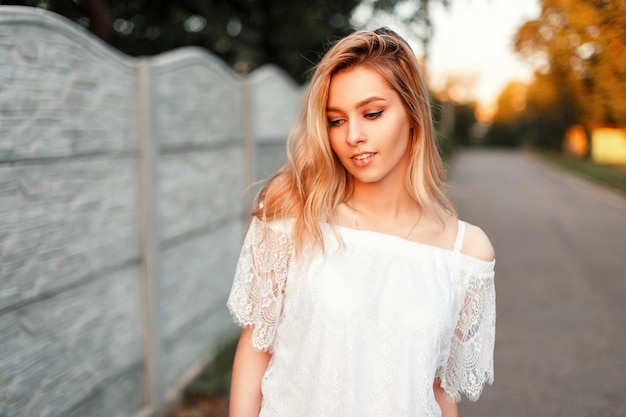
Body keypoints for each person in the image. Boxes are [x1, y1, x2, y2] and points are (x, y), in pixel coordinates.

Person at [226, 27, 496, 417]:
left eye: (372, 113)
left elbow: (439, 391)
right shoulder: (293, 216)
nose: (353, 135)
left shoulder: (466, 254)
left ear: (413, 114)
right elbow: (255, 349)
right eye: (336, 121)